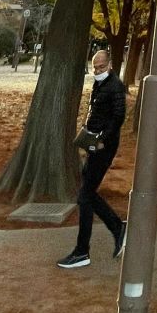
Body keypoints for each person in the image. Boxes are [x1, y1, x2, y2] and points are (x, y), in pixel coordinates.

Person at [58, 47, 127, 269]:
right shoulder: (100, 84)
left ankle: (82, 251)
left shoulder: (115, 86)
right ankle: (117, 228)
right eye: (95, 67)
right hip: (93, 143)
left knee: (85, 197)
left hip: (103, 146)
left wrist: (102, 140)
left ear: (111, 65)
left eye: (101, 67)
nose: (98, 70)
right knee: (86, 192)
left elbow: (118, 117)